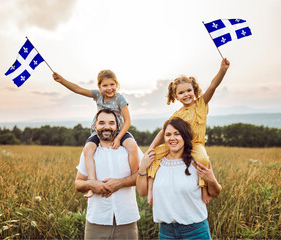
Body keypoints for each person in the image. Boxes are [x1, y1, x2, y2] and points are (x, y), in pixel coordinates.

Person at [147, 58, 230, 205]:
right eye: (181, 93)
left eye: (189, 91)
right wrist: (151, 148)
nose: (186, 94)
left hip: (195, 144)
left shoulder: (201, 104)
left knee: (203, 158)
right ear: (176, 96)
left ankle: (203, 187)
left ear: (194, 91)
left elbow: (212, 86)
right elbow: (163, 132)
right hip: (179, 144)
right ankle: (150, 190)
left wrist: (222, 70)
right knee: (154, 156)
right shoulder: (177, 115)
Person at [53, 70, 139, 198]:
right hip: (99, 132)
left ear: (117, 84)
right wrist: (62, 81)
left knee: (132, 145)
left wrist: (119, 137)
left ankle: (133, 177)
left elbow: (128, 121)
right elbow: (78, 89)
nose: (109, 88)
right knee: (88, 149)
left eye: (112, 84)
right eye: (105, 85)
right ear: (99, 87)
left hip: (118, 130)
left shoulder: (119, 98)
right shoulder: (98, 95)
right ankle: (92, 183)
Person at [137, 117, 222, 239]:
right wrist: (142, 168)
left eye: (177, 134)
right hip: (166, 233)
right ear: (164, 138)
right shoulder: (156, 163)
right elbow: (142, 192)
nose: (172, 138)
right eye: (168, 134)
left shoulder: (198, 162)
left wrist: (211, 179)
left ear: (185, 136)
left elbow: (215, 192)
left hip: (195, 232)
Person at [75, 108, 141, 239]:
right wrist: (90, 184)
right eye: (102, 123)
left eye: (111, 123)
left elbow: (141, 177)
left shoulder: (130, 148)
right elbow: (78, 183)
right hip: (96, 221)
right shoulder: (89, 151)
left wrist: (121, 183)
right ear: (95, 126)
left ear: (117, 126)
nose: (107, 127)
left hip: (127, 221)